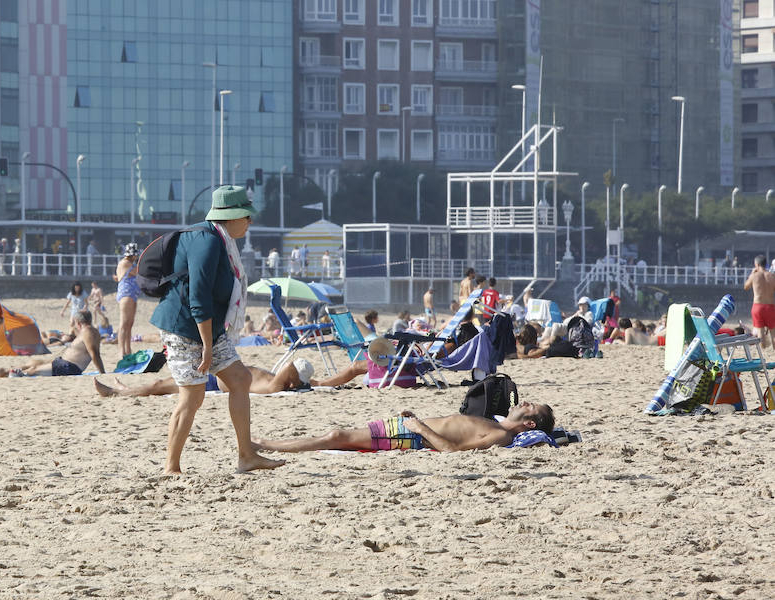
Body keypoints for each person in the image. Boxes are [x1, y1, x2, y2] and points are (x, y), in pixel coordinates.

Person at [149, 185, 283, 474]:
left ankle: (246, 456)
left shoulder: (220, 240)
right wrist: (208, 346)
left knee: (240, 378)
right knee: (192, 396)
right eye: (246, 216)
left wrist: (211, 340)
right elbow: (198, 296)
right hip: (184, 327)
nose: (250, 222)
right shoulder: (206, 241)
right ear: (231, 216)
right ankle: (171, 467)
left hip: (206, 327)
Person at [253, 402, 555, 453]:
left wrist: (419, 427)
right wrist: (418, 419)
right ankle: (265, 442)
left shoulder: (501, 435)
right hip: (410, 426)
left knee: (336, 436)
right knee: (338, 436)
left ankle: (266, 444)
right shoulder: (497, 423)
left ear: (528, 423)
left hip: (409, 434)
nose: (524, 401)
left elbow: (452, 449)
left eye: (530, 407)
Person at [94, 358, 316, 398]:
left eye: (294, 373)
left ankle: (117, 392)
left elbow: (288, 366)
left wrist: (296, 378)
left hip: (213, 384)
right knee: (162, 383)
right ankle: (125, 389)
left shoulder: (276, 386)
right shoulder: (279, 381)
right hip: (218, 374)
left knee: (159, 385)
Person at [0, 311, 104, 377]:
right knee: (34, 362)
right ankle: (4, 370)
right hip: (62, 362)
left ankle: (5, 373)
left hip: (68, 367)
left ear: (78, 322)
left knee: (34, 369)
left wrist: (102, 373)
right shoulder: (85, 331)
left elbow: (94, 353)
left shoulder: (88, 332)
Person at [113, 242, 140, 359]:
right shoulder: (126, 263)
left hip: (132, 294)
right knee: (124, 323)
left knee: (129, 324)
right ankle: (120, 351)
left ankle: (128, 350)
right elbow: (138, 271)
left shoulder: (129, 263)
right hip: (126, 294)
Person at [744, 254, 775, 348]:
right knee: (773, 332)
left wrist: (752, 274)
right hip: (770, 306)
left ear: (756, 264)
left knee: (760, 331)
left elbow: (746, 287)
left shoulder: (755, 275)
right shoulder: (772, 276)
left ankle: (764, 349)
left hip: (758, 306)